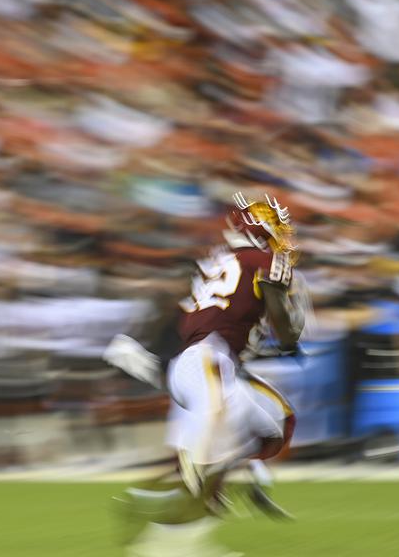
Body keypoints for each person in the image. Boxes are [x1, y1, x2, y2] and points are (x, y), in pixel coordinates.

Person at [104, 192, 305, 556]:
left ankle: (168, 528)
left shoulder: (213, 262)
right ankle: (163, 500)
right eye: (278, 228)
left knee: (276, 420)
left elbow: (199, 315)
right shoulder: (265, 261)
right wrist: (291, 321)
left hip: (205, 364)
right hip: (211, 363)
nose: (284, 237)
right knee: (203, 460)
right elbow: (285, 331)